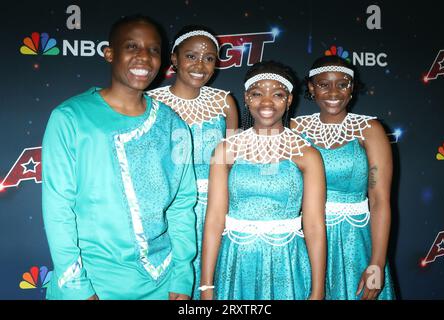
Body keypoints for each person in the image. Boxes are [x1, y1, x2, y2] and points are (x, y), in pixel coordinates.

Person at [41, 15, 197, 300]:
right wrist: (78, 289)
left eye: (153, 50)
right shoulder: (70, 118)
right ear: (109, 54)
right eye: (132, 46)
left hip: (161, 283)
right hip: (93, 283)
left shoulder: (174, 125)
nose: (144, 57)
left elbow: (182, 204)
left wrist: (182, 275)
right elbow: (58, 209)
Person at [200, 61, 326, 300]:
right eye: (257, 94)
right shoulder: (225, 150)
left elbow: (314, 226)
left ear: (289, 100)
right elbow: (214, 219)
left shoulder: (308, 155)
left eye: (277, 94)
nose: (267, 102)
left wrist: (317, 291)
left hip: (287, 263)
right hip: (236, 262)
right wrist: (206, 286)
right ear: (246, 98)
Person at [290, 55, 395, 300]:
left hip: (355, 242)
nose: (334, 92)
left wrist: (377, 263)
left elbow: (379, 201)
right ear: (312, 88)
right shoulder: (295, 128)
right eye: (324, 84)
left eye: (343, 84)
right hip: (306, 239)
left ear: (352, 88)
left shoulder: (370, 129)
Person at [147, 25, 238, 299]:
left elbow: (232, 161)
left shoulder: (225, 102)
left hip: (217, 207)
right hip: (169, 210)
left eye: (209, 58)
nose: (201, 65)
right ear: (174, 59)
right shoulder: (151, 102)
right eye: (191, 56)